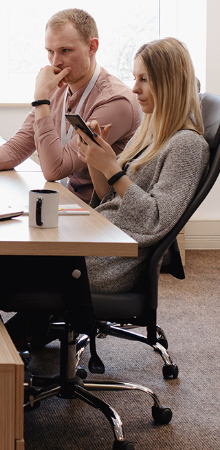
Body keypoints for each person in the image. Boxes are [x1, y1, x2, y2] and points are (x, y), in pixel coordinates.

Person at [75, 37, 209, 294]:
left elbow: (155, 220)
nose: (134, 88)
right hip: (103, 238)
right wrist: (96, 160)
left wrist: (113, 169)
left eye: (144, 79)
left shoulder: (188, 146)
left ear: (170, 83)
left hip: (114, 261)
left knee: (11, 268)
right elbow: (110, 198)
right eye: (135, 78)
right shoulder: (150, 131)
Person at [0, 9, 141, 203]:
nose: (55, 62)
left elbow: (54, 170)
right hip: (68, 204)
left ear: (92, 47)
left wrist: (41, 99)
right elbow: (16, 148)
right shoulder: (58, 88)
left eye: (65, 51)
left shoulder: (115, 101)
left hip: (99, 215)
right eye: (50, 51)